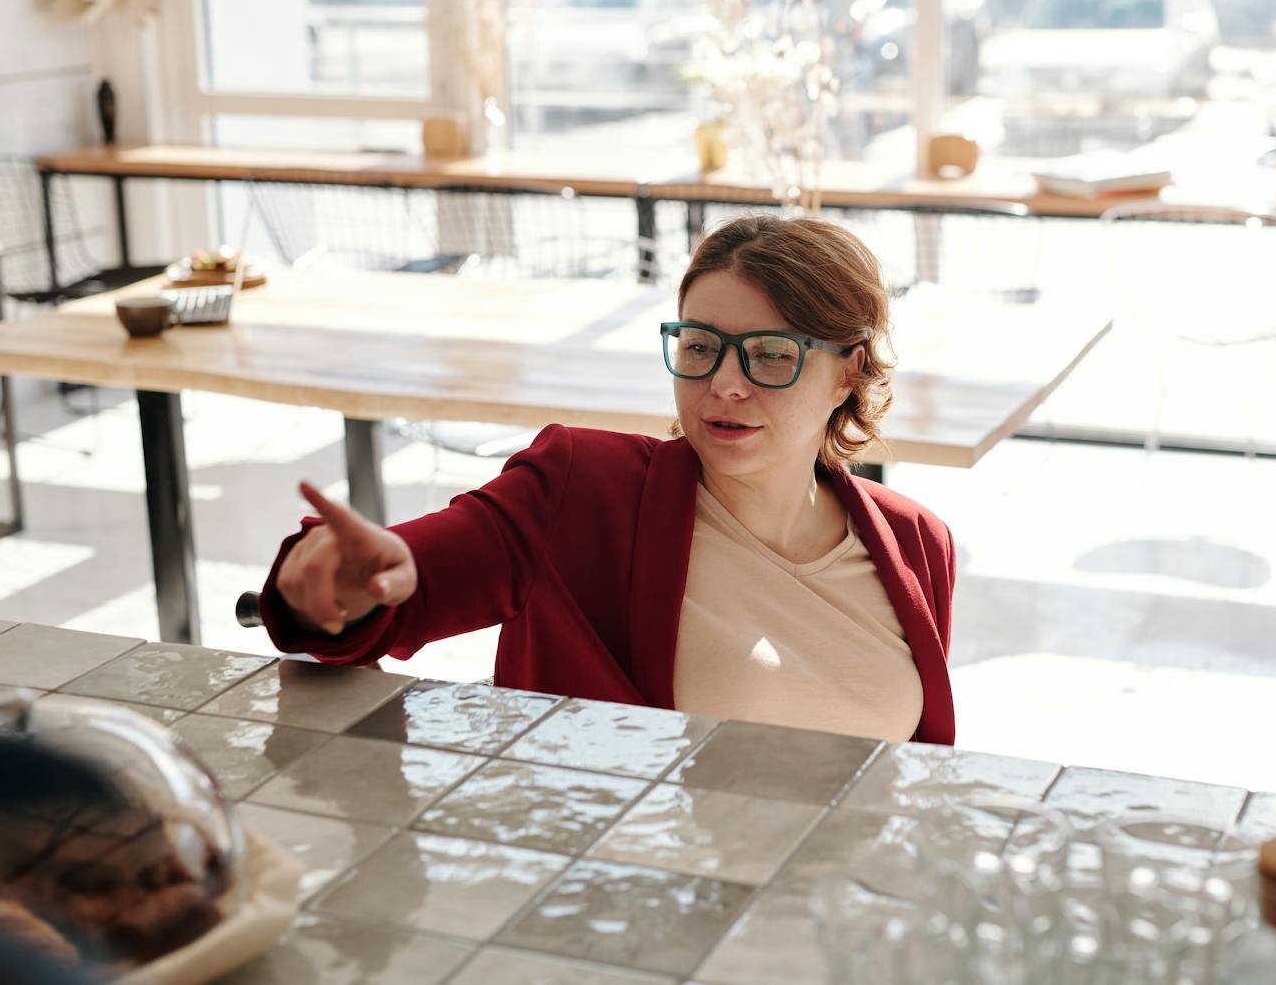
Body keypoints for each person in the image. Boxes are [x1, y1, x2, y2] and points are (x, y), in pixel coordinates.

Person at [260, 215, 957, 743]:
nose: (724, 384)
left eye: (771, 355)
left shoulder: (918, 543)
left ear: (851, 370)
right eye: (701, 346)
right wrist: (341, 584)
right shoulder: (586, 489)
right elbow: (406, 577)